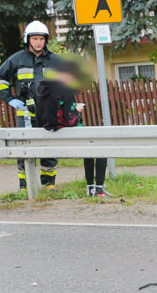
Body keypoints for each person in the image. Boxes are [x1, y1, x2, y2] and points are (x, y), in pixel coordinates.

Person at [0, 21, 62, 192]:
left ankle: (48, 184)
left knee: (49, 148)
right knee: (23, 148)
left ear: (46, 40)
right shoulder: (16, 59)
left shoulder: (54, 60)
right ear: (28, 40)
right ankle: (25, 186)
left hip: (49, 113)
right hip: (25, 113)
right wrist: (10, 99)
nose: (38, 42)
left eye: (41, 39)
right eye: (35, 38)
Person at [34, 61, 109, 198]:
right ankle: (97, 188)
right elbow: (71, 119)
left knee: (90, 149)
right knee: (100, 147)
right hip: (67, 134)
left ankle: (91, 188)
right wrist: (77, 109)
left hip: (47, 133)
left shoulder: (40, 89)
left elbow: (40, 116)